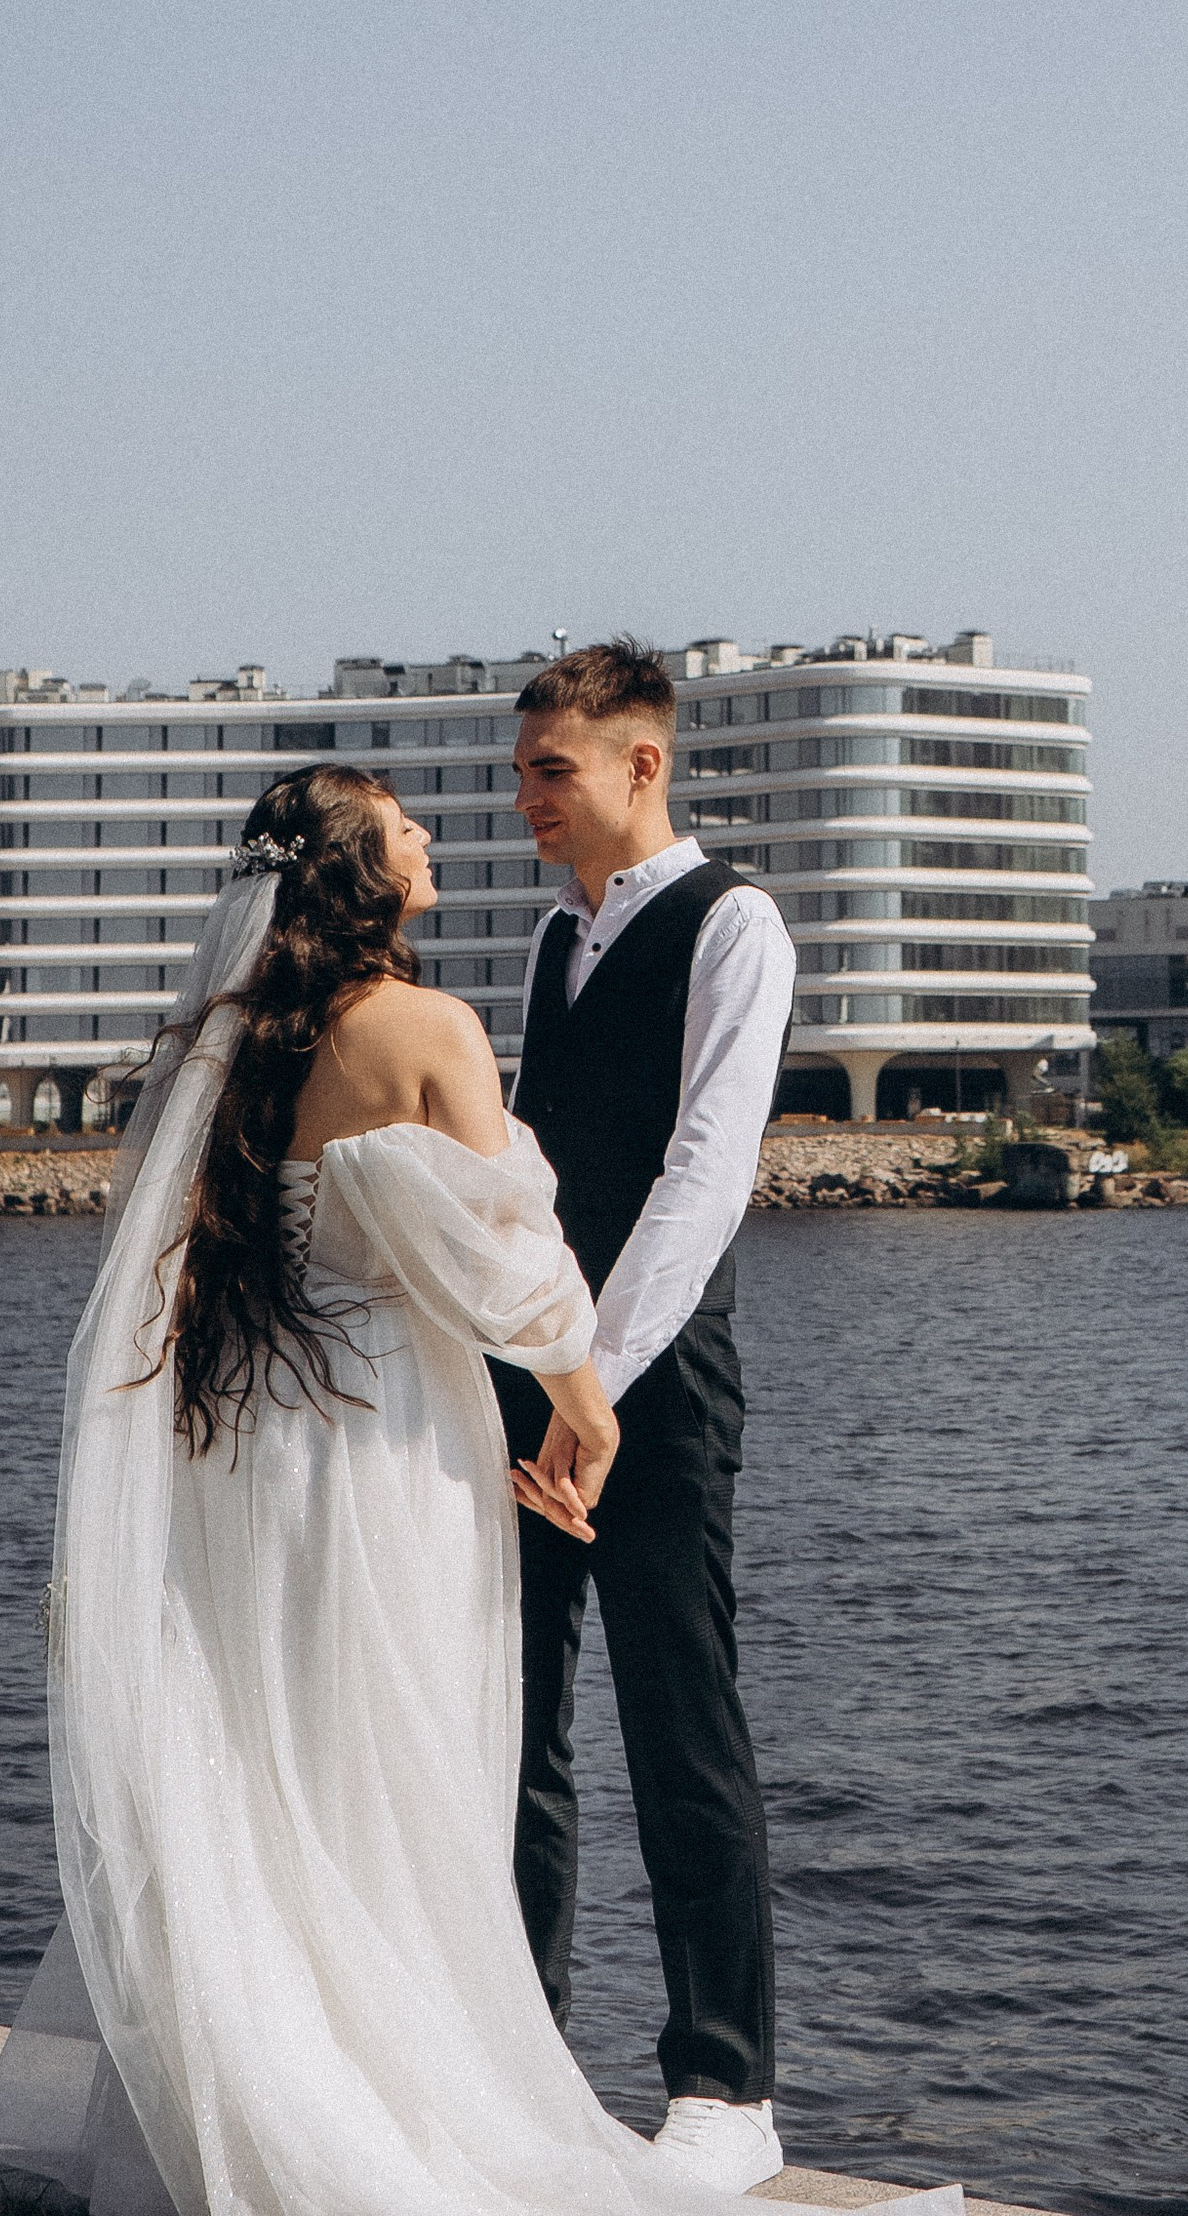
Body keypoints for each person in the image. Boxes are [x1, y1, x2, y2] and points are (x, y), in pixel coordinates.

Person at [0, 760, 943, 2216]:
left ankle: (281, 2079)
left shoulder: (228, 1042)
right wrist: (583, 1400)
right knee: (403, 1765)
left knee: (279, 1761)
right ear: (363, 873)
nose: (432, 832)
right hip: (388, 1449)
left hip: (256, 1447)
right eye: (403, 824)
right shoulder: (429, 1028)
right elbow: (512, 1257)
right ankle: (418, 2101)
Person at [494, 641, 797, 2196]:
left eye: (552, 770)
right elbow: (528, 1177)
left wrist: (595, 1383)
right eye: (523, 770)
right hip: (531, 1376)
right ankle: (520, 2055)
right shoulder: (554, 940)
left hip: (657, 1389)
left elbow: (706, 1174)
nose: (527, 798)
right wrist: (535, 1369)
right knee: (514, 1722)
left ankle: (727, 2088)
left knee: (681, 1718)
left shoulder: (735, 924)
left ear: (642, 763)